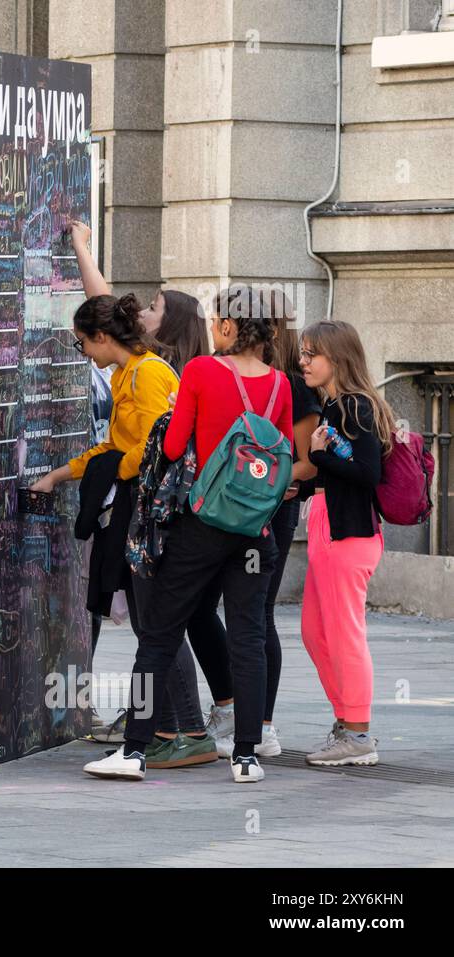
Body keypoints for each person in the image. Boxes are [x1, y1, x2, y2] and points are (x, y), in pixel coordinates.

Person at [83, 289, 292, 783]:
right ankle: (245, 756)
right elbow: (281, 457)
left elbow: (175, 444)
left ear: (227, 327)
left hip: (200, 524)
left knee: (157, 635)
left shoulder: (200, 372)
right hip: (254, 532)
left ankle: (133, 753)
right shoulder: (281, 384)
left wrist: (182, 415)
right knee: (248, 637)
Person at [65, 222, 216, 767]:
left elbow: (156, 448)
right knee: (156, 625)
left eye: (83, 342)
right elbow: (122, 444)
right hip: (142, 508)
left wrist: (111, 470)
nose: (83, 352)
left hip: (153, 513)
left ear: (104, 338)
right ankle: (174, 730)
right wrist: (67, 474)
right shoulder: (131, 373)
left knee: (158, 626)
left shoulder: (148, 375)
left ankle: (181, 731)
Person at [185, 287, 321, 758]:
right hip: (236, 507)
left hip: (268, 510)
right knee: (208, 609)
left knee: (256, 616)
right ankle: (233, 709)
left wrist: (267, 483)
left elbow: (301, 462)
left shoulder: (290, 385)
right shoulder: (246, 376)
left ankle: (260, 725)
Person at [298, 319, 393, 766]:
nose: (303, 362)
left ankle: (357, 734)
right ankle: (347, 723)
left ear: (337, 357)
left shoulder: (354, 406)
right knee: (317, 633)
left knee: (344, 635)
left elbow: (367, 473)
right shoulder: (336, 404)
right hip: (329, 526)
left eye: (311, 353)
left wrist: (317, 456)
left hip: (348, 533)